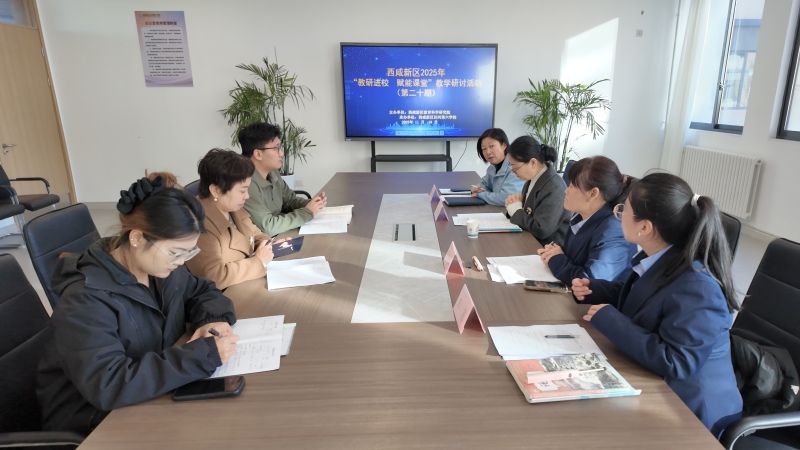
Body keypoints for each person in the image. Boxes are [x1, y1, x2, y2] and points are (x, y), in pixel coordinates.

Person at [36, 173, 240, 436]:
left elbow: (202, 290)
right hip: (96, 423)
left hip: (149, 395)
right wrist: (202, 356)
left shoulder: (161, 269)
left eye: (188, 252)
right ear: (137, 238)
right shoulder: (85, 299)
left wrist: (212, 319)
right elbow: (108, 384)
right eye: (175, 252)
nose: (181, 262)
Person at [573, 172, 742, 437]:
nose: (618, 215)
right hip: (655, 383)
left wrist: (610, 319)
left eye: (623, 210)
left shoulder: (698, 288)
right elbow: (643, 299)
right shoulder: (661, 257)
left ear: (645, 227)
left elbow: (678, 362)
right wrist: (596, 289)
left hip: (690, 414)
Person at [185, 148, 286, 290]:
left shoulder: (231, 206)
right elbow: (213, 276)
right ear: (216, 190)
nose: (247, 196)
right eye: (242, 190)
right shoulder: (196, 223)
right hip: (227, 295)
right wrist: (259, 262)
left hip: (246, 285)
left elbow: (255, 234)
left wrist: (269, 245)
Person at [537, 156, 638, 284]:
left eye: (572, 186)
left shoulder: (613, 229)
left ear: (593, 193)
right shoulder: (581, 216)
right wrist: (553, 253)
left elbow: (590, 281)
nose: (566, 190)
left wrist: (556, 259)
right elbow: (573, 258)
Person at [239, 121, 326, 235]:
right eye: (276, 148)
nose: (281, 154)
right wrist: (307, 212)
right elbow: (268, 227)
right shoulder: (245, 183)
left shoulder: (272, 172)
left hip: (282, 233)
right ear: (258, 154)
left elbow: (289, 201)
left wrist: (313, 204)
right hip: (265, 241)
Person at [504, 135, 571, 245]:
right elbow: (528, 213)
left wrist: (516, 210)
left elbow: (541, 229)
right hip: (529, 239)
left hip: (548, 247)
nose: (513, 171)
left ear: (533, 163)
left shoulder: (555, 188)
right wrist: (516, 205)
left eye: (515, 168)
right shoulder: (532, 178)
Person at [470, 128, 524, 206]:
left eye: (492, 146)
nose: (488, 152)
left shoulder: (515, 167)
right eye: (484, 149)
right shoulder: (492, 167)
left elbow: (505, 198)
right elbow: (484, 184)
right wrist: (478, 189)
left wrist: (480, 194)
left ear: (504, 145)